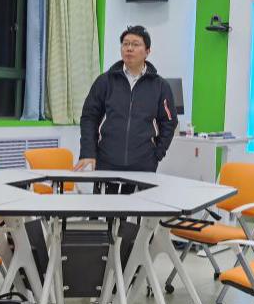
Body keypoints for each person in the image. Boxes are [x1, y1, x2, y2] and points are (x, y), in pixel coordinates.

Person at [75, 25, 177, 184]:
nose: (129, 48)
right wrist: (88, 151)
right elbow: (89, 117)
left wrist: (157, 154)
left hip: (143, 165)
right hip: (106, 162)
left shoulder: (160, 86)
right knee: (105, 201)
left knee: (142, 201)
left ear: (147, 51)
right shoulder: (105, 81)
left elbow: (169, 122)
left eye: (135, 44)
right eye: (125, 44)